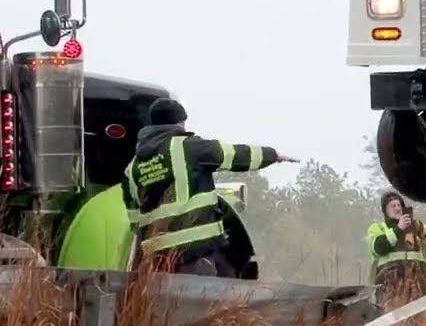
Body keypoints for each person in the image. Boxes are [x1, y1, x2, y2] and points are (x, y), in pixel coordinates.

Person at [121, 97, 297, 277]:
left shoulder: (132, 168)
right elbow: (234, 155)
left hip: (157, 261)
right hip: (193, 254)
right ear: (178, 122)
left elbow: (134, 219)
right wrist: (274, 155)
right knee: (212, 298)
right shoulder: (188, 148)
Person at [367, 191, 426, 305]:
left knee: (417, 318)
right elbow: (378, 248)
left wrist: (423, 232)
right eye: (392, 206)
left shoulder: (417, 227)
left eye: (399, 205)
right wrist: (398, 229)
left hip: (417, 282)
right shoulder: (378, 228)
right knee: (391, 316)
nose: (397, 208)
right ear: (385, 210)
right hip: (389, 285)